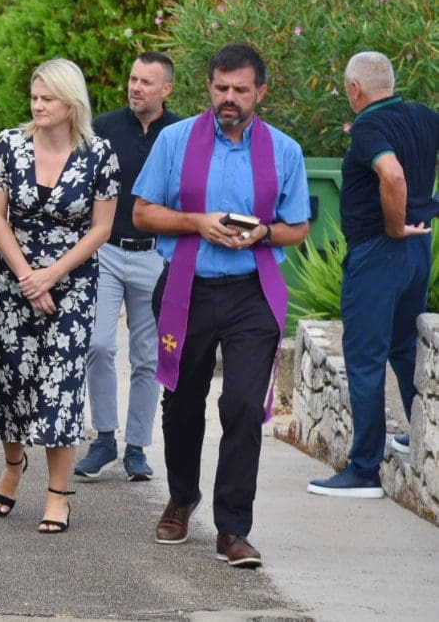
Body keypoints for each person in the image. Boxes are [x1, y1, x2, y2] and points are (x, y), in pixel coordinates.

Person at [133, 42, 310, 568]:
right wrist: (197, 223)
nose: (229, 98)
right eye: (221, 88)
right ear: (208, 86)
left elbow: (298, 227)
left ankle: (233, 528)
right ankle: (182, 497)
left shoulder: (285, 150)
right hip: (186, 289)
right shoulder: (175, 140)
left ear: (260, 92)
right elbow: (142, 213)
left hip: (252, 294)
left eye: (240, 89)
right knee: (182, 401)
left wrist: (264, 233)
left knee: (242, 407)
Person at [0, 58, 118, 534]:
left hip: (74, 283)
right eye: (34, 97)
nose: (38, 106)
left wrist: (53, 275)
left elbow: (101, 228)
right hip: (16, 279)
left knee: (61, 385)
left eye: (48, 99)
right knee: (15, 380)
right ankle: (13, 465)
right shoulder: (7, 146)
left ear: (71, 103)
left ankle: (59, 495)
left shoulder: (99, 154)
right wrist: (28, 277)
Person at [308, 51, 439, 498]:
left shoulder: (368, 127)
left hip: (380, 251)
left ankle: (364, 469)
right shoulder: (423, 116)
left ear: (354, 88)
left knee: (365, 356)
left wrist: (394, 224)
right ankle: (421, 431)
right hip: (419, 250)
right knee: (403, 347)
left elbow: (392, 174)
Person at [75, 52, 180, 482]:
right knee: (98, 344)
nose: (135, 87)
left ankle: (136, 448)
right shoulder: (103, 128)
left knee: (147, 357)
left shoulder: (180, 133)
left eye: (146, 82)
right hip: (106, 251)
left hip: (156, 255)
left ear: (166, 89)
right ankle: (104, 438)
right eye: (133, 79)